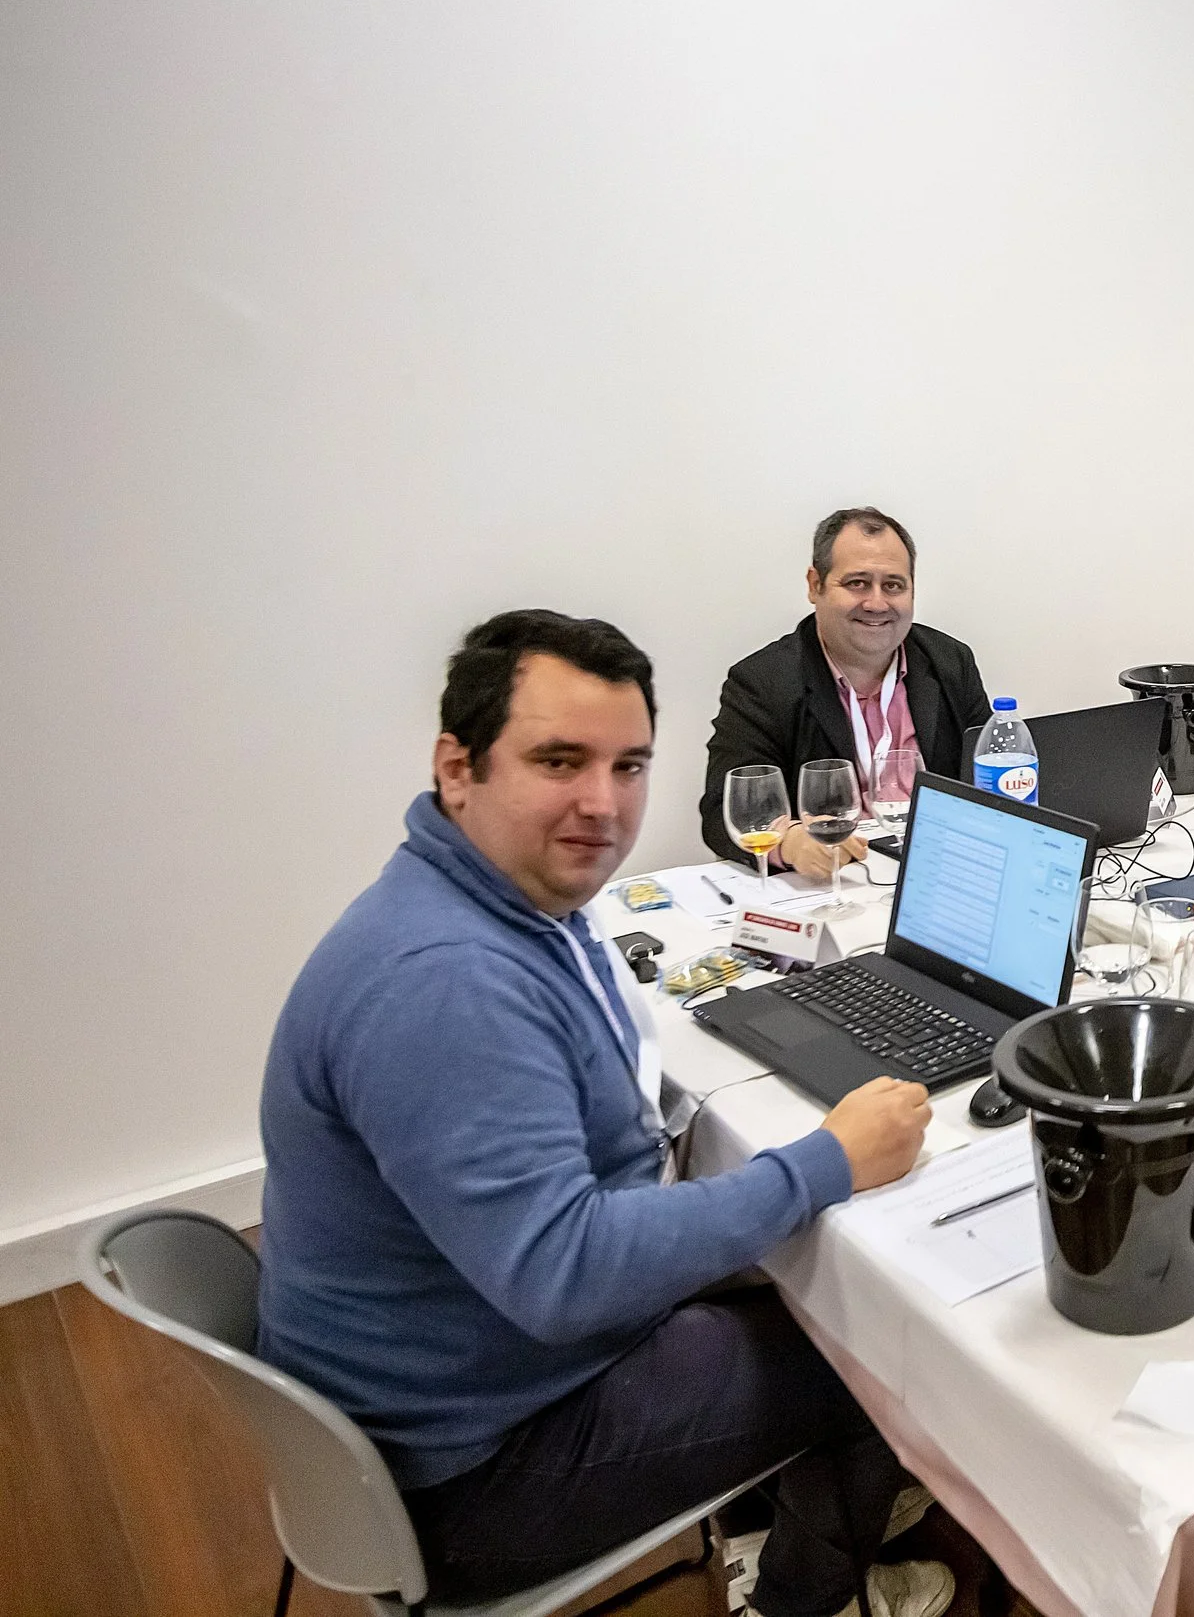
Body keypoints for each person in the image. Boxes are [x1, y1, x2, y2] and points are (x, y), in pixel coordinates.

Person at [258, 610, 951, 1617]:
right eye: (558, 759)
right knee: (880, 1342)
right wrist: (825, 1160)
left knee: (807, 1271)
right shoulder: (444, 982)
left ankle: (782, 1517)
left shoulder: (487, 899)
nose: (602, 802)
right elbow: (566, 1273)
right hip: (468, 1472)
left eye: (629, 765)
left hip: (444, 1381)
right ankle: (800, 1592)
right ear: (458, 766)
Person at [701, 506, 992, 874]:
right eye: (857, 583)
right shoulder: (763, 682)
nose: (876, 603)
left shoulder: (950, 662)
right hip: (828, 882)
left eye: (893, 585)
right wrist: (789, 842)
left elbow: (987, 780)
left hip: (934, 873)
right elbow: (722, 812)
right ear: (814, 585)